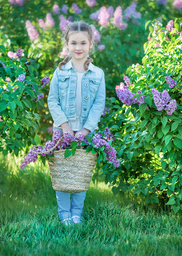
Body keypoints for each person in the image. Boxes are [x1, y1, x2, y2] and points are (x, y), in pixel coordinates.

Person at [47, 21, 105, 226]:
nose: (78, 48)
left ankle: (76, 213)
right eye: (73, 43)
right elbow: (52, 100)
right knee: (63, 172)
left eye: (83, 43)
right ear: (67, 45)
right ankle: (64, 214)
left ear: (90, 44)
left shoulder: (98, 74)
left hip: (85, 132)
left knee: (80, 173)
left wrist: (86, 129)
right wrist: (64, 126)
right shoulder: (60, 72)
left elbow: (99, 103)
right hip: (63, 132)